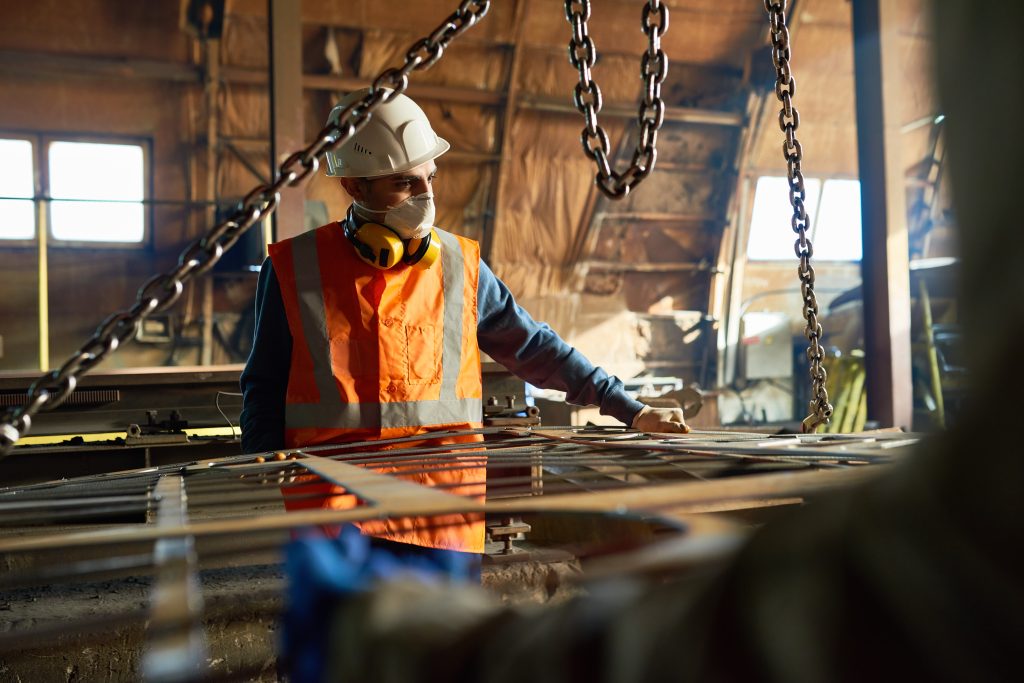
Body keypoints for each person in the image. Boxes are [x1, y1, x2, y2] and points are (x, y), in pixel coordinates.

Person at [240, 88, 687, 555]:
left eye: (430, 178)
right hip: (337, 520)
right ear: (354, 186)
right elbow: (264, 381)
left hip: (441, 514)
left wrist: (629, 409)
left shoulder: (458, 266)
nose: (426, 196)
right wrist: (261, 455)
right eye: (404, 183)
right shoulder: (296, 267)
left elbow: (535, 348)